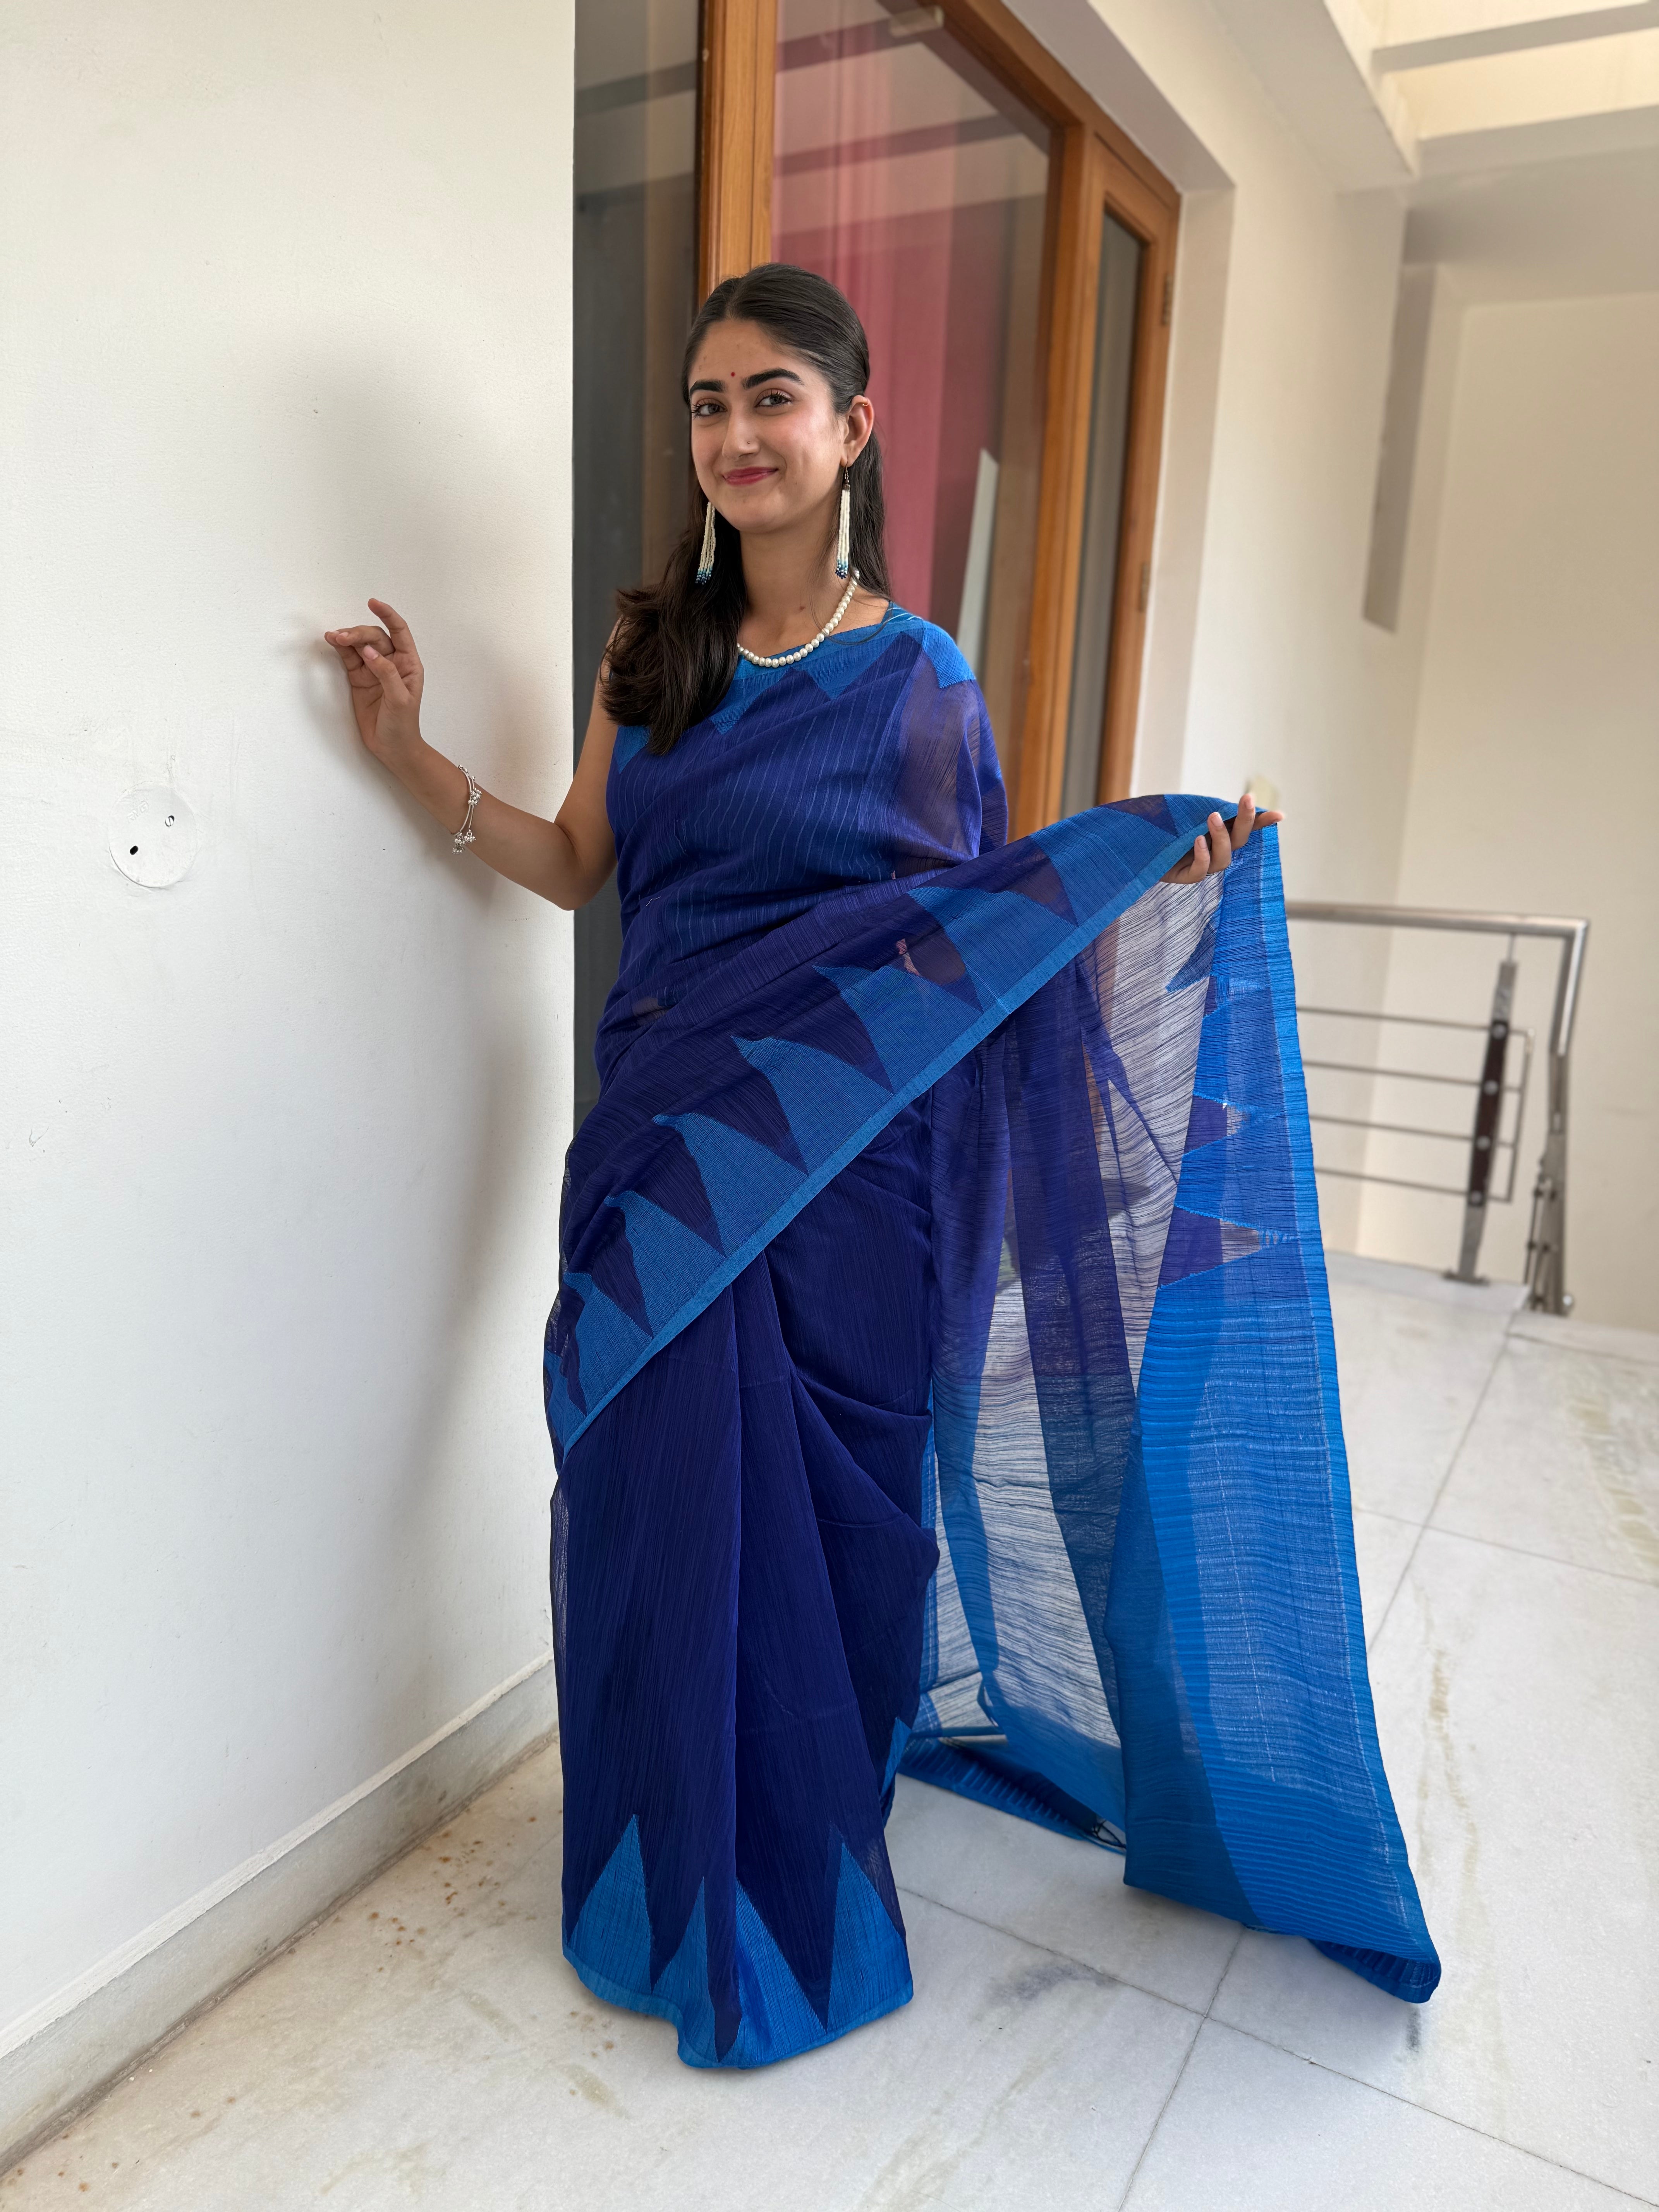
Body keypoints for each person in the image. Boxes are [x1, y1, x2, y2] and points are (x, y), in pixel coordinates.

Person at [325, 263, 1438, 2071]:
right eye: (707, 403)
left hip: (845, 1178)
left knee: (828, 1518)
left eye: (774, 397)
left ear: (852, 429)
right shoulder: (650, 654)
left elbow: (964, 938)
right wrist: (410, 757)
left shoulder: (922, 683)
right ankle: (660, 1865)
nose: (735, 434)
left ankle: (791, 1870)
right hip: (660, 1150)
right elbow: (573, 864)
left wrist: (1148, 874)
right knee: (642, 1500)